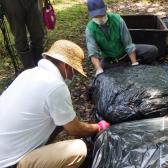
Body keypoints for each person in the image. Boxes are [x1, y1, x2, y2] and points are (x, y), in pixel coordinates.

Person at [0, 40, 110, 168]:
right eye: (73, 70)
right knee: (78, 149)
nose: (73, 75)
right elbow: (75, 130)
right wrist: (99, 127)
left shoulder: (28, 74)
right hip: (10, 163)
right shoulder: (55, 86)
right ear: (65, 66)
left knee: (60, 123)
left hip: (5, 151)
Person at [85, 0, 158, 76]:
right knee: (104, 73)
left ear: (106, 8)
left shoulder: (118, 20)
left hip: (125, 53)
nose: (99, 18)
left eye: (101, 14)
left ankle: (133, 63)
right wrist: (99, 69)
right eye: (96, 16)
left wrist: (134, 63)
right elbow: (93, 53)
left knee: (152, 50)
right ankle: (123, 66)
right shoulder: (90, 29)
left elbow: (128, 43)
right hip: (110, 59)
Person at [1, 0, 44, 69]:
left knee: (38, 34)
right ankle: (29, 69)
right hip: (10, 3)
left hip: (30, 2)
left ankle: (39, 65)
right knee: (20, 38)